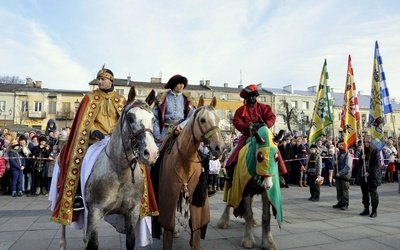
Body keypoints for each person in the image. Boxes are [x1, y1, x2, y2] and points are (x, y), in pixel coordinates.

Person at [50, 65, 126, 225]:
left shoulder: (121, 100)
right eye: (99, 79)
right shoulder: (90, 98)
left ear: (110, 80)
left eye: (102, 79)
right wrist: (93, 131)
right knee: (78, 161)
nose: (100, 82)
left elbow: (125, 122)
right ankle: (77, 196)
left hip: (115, 140)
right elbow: (83, 122)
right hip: (95, 141)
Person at [225, 84, 276, 181]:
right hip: (247, 135)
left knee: (274, 149)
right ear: (246, 98)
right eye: (250, 96)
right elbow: (237, 122)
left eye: (254, 96)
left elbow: (272, 117)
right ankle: (230, 171)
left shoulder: (264, 107)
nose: (252, 98)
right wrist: (247, 126)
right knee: (237, 151)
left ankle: (280, 174)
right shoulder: (240, 110)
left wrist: (266, 124)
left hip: (264, 134)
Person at [152, 74, 196, 147]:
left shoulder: (188, 100)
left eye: (183, 84)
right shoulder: (162, 99)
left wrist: (181, 126)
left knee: (197, 148)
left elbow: (192, 116)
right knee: (156, 152)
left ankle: (209, 157)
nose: (182, 86)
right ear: (174, 84)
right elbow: (155, 118)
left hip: (182, 130)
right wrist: (157, 135)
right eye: (179, 83)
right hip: (165, 131)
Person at [357, 140, 381, 217]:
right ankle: (366, 209)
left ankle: (374, 210)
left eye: (368, 142)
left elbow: (376, 165)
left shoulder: (375, 152)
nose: (367, 144)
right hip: (363, 175)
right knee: (365, 193)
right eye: (365, 143)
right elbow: (359, 163)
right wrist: (361, 158)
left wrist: (369, 172)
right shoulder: (363, 151)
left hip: (372, 176)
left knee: (373, 193)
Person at [332, 141, 353, 210]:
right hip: (338, 175)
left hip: (344, 175)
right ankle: (340, 202)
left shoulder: (347, 154)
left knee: (345, 190)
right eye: (340, 145)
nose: (341, 146)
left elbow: (348, 166)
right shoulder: (338, 153)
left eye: (342, 145)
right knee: (339, 189)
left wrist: (340, 173)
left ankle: (345, 203)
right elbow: (334, 163)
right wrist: (335, 162)